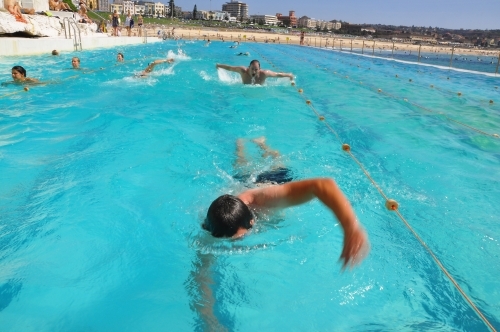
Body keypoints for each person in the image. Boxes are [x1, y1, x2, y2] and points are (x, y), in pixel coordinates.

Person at [203, 137, 369, 269]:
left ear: (252, 220)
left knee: (277, 162)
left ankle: (263, 144)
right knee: (241, 167)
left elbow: (323, 185)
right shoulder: (216, 222)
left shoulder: (266, 200)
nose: (236, 244)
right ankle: (239, 145)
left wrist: (350, 227)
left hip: (271, 180)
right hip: (244, 186)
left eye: (239, 238)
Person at [216, 60, 294, 85]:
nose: (254, 71)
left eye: (256, 69)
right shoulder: (243, 71)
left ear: (260, 69)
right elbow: (230, 68)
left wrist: (289, 75)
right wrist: (219, 65)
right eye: (252, 68)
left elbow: (277, 74)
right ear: (248, 67)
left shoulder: (264, 73)